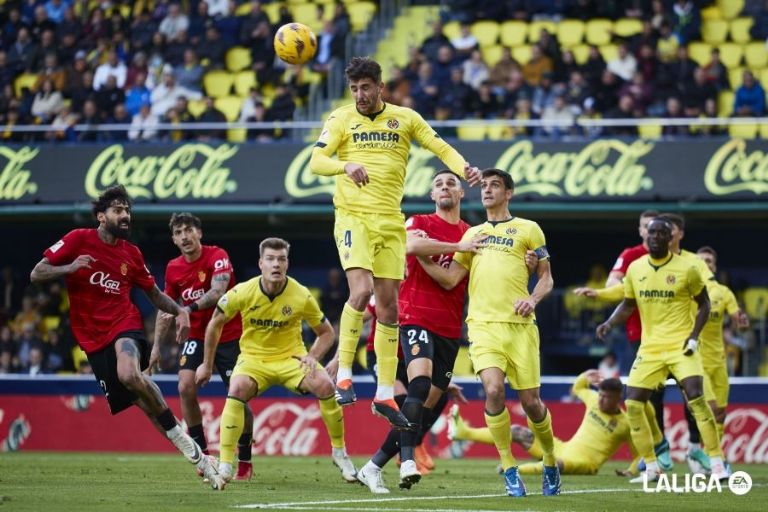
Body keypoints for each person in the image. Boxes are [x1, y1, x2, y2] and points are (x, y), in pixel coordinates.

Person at [309, 56, 480, 429]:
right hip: (353, 216)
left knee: (389, 310)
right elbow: (316, 161)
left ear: (380, 87)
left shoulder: (405, 118)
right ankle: (343, 374)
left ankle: (385, 392)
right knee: (360, 291)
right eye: (354, 89)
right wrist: (345, 166)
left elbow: (440, 147)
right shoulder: (340, 118)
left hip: (390, 221)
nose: (360, 95)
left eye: (366, 88)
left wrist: (463, 167)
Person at [29, 185, 225, 490]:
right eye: (118, 210)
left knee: (130, 374)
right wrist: (70, 267)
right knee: (143, 404)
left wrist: (180, 311)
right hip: (91, 338)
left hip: (124, 324)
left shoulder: (131, 254)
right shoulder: (78, 239)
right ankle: (196, 453)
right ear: (101, 216)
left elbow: (155, 294)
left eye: (127, 210)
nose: (125, 216)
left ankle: (194, 450)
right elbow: (37, 272)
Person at [415, 169, 560, 497]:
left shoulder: (528, 229)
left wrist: (533, 297)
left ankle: (550, 460)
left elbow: (547, 277)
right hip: (482, 326)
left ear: (509, 192)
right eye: (484, 185)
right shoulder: (472, 235)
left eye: (495, 185)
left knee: (532, 403)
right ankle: (510, 470)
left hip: (521, 327)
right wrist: (422, 255)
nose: (487, 190)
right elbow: (451, 279)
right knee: (493, 391)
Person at [356, 169, 484, 493]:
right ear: (432, 195)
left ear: (460, 194)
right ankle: (409, 461)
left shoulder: (472, 232)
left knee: (423, 409)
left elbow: (451, 279)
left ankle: (372, 467)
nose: (444, 187)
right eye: (438, 184)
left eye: (451, 183)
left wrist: (432, 253)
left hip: (449, 327)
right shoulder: (420, 221)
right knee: (420, 383)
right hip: (415, 316)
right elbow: (411, 246)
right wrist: (456, 246)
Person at [199, 238, 356, 484]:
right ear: (260, 263)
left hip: (291, 358)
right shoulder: (242, 291)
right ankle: (226, 465)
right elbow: (214, 324)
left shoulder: (301, 294)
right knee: (237, 388)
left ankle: (340, 453)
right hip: (254, 360)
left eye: (281, 259)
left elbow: (327, 333)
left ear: (287, 263)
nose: (276, 264)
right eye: (270, 259)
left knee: (326, 385)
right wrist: (207, 364)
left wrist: (312, 357)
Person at [596, 217, 729, 483]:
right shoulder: (635, 269)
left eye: (661, 233)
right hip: (651, 348)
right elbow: (628, 304)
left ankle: (716, 462)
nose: (655, 236)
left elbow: (704, 305)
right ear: (645, 237)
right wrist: (610, 323)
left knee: (696, 398)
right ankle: (652, 465)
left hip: (681, 346)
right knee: (633, 403)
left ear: (671, 239)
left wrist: (693, 337)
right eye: (651, 232)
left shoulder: (689, 268)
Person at [153, 212, 255, 481]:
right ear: (174, 239)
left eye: (188, 230)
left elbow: (218, 291)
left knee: (238, 395)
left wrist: (187, 308)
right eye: (178, 233)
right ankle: (203, 454)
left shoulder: (216, 255)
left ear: (199, 233)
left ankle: (244, 458)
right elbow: (165, 309)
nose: (184, 236)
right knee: (185, 387)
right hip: (196, 336)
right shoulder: (173, 268)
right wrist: (155, 348)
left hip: (229, 334)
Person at [448, 370, 664, 477]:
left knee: (557, 466)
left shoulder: (626, 423)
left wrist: (632, 471)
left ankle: (516, 471)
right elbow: (578, 388)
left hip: (585, 464)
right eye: (601, 394)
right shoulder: (593, 401)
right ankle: (463, 432)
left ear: (618, 398)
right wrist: (585, 375)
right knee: (516, 431)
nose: (601, 399)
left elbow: (639, 455)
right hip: (563, 447)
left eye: (607, 397)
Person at [696, 246, 750, 468]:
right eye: (701, 260)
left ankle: (707, 454)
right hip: (695, 360)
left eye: (709, 260)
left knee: (720, 413)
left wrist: (742, 324)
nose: (706, 263)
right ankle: (713, 457)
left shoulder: (724, 293)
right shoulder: (687, 290)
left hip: (718, 361)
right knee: (709, 408)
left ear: (715, 266)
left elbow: (738, 319)